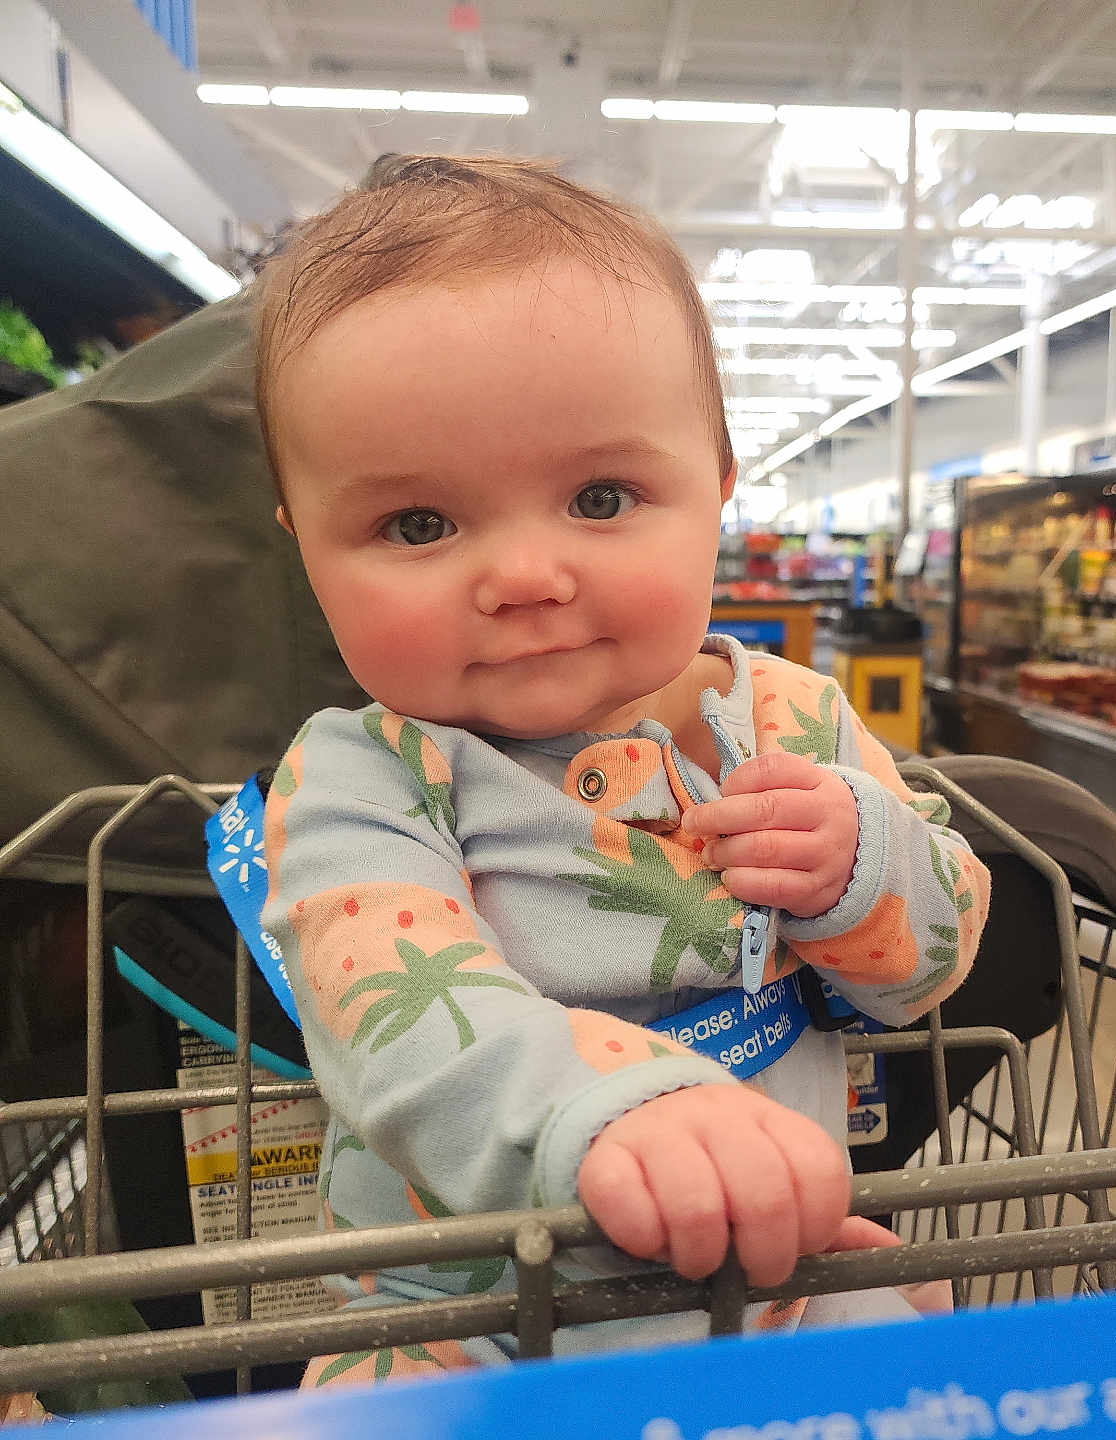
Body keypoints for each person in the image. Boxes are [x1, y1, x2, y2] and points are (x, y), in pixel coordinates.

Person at [256, 154, 991, 1385]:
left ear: (719, 493)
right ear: (307, 549)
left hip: (780, 1278)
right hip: (466, 1319)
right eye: (418, 525)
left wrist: (865, 862)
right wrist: (616, 1111)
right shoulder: (364, 782)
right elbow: (402, 1026)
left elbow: (932, 962)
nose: (524, 575)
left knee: (920, 1372)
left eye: (601, 497)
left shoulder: (796, 718)